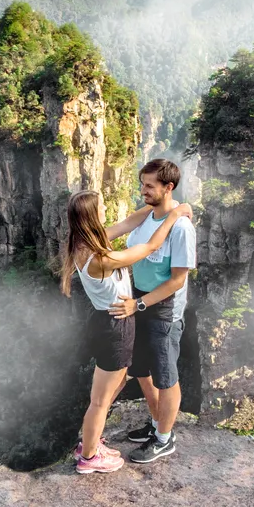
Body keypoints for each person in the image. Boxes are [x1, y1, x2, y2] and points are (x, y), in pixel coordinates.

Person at [61, 189, 192, 474]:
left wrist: (158, 206)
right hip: (116, 328)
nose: (107, 208)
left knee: (111, 388)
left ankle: (90, 442)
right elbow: (150, 247)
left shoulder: (85, 242)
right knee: (101, 399)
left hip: (105, 324)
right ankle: (89, 457)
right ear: (92, 216)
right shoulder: (101, 258)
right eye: (102, 206)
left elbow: (128, 222)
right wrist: (173, 216)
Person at [108, 159, 197, 465]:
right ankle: (159, 423)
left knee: (165, 375)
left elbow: (177, 280)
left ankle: (164, 439)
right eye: (142, 184)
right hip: (139, 300)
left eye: (149, 185)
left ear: (168, 187)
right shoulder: (147, 214)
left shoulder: (182, 228)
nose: (142, 190)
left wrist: (139, 304)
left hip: (163, 310)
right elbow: (116, 229)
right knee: (141, 369)